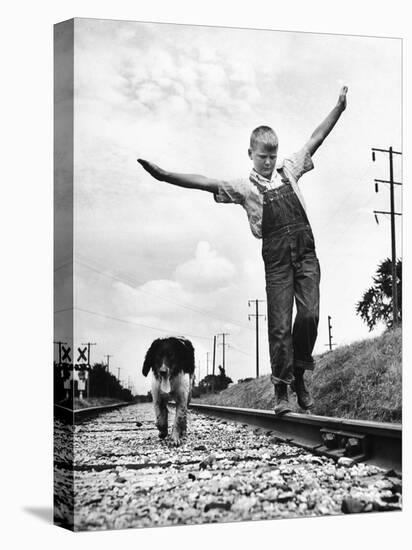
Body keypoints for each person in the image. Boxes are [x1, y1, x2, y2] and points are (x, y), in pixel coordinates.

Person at [138, 86, 348, 415]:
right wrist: (165, 176)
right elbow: (204, 180)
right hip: (277, 260)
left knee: (309, 315)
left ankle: (299, 374)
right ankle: (282, 390)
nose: (268, 161)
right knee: (279, 326)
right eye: (262, 155)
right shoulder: (243, 186)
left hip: (306, 254)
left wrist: (339, 109)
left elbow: (315, 138)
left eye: (272, 155)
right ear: (250, 153)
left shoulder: (289, 170)